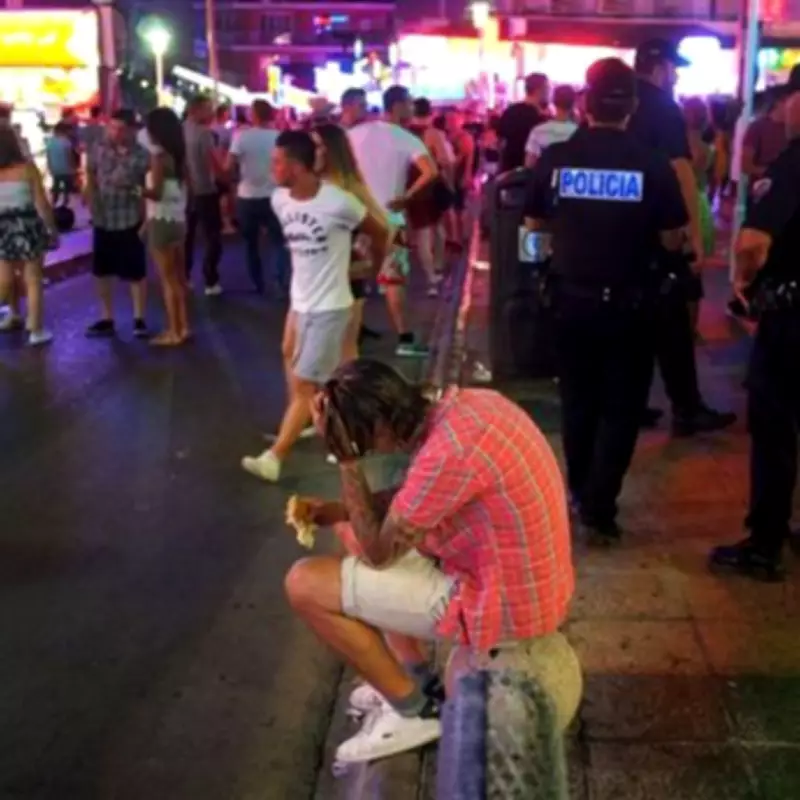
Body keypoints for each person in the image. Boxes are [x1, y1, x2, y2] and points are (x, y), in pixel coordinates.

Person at [283, 359, 580, 763]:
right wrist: (337, 511)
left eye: (363, 442)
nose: (369, 452)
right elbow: (414, 496)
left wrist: (347, 462)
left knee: (304, 583)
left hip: (499, 605)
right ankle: (414, 679)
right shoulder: (470, 408)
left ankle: (414, 712)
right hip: (518, 580)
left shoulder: (448, 453)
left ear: (381, 426)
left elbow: (379, 551)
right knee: (350, 529)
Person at [524, 57, 690, 544]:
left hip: (569, 301)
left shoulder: (556, 160)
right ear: (632, 107)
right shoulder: (652, 163)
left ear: (585, 105)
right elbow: (673, 237)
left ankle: (580, 491)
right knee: (622, 407)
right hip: (631, 306)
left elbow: (532, 225)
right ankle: (600, 504)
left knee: (578, 401)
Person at [241, 131, 389, 484]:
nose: (271, 168)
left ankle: (276, 456)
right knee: (298, 362)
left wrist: (371, 267)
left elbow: (380, 231)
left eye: (277, 162)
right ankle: (328, 426)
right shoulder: (279, 200)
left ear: (296, 166)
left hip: (330, 306)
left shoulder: (339, 202)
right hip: (300, 303)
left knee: (308, 382)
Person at [709, 92, 800, 583]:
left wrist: (744, 282)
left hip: (792, 320)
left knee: (773, 428)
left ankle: (765, 543)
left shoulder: (794, 162)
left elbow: (752, 241)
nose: (783, 111)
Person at [629, 38, 735, 436]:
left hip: (626, 229)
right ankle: (687, 408)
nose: (675, 76)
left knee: (636, 321)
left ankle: (631, 402)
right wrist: (694, 234)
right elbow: (682, 171)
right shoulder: (663, 107)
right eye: (674, 68)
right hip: (662, 227)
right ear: (659, 68)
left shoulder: (624, 102)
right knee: (674, 320)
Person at [344, 85, 438, 358]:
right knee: (394, 280)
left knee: (354, 278)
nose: (412, 108)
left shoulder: (351, 136)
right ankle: (405, 339)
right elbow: (430, 172)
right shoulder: (405, 138)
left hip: (357, 217)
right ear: (397, 106)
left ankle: (351, 338)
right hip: (391, 219)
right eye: (409, 103)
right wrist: (406, 197)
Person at [310, 123, 389, 363]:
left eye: (317, 146)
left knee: (343, 353)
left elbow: (382, 229)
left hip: (343, 278)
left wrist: (371, 265)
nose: (311, 152)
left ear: (332, 151)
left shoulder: (348, 188)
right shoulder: (314, 185)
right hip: (315, 280)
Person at [85, 109, 150, 339]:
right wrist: (90, 198)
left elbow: (148, 188)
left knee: (135, 272)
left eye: (121, 129)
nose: (115, 133)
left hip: (130, 217)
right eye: (112, 127)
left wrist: (145, 218)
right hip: (103, 216)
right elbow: (90, 173)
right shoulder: (99, 148)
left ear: (132, 130)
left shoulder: (142, 155)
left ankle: (139, 318)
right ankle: (107, 317)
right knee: (101, 270)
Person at [0, 126, 58, 346]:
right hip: (28, 227)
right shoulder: (28, 169)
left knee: (4, 278)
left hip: (2, 228)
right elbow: (42, 203)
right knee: (33, 279)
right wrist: (52, 229)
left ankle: (13, 314)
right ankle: (36, 329)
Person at [227, 99, 288, 296]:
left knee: (250, 243)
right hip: (274, 195)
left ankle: (257, 282)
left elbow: (229, 165)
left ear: (253, 115)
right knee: (278, 241)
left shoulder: (241, 137)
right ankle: (279, 280)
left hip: (247, 195)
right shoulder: (279, 137)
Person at [142, 107, 190, 346]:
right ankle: (184, 326)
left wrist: (136, 190)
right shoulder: (179, 156)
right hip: (178, 220)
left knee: (167, 280)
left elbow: (156, 193)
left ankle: (173, 330)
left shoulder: (158, 157)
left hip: (161, 221)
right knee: (178, 278)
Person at [184, 95, 225, 295]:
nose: (211, 113)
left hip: (186, 191)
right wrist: (224, 178)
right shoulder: (204, 133)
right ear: (196, 110)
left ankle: (184, 276)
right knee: (212, 236)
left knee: (187, 236)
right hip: (205, 190)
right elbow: (214, 163)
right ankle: (210, 280)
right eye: (208, 108)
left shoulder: (179, 131)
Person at [497, 72, 550, 172]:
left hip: (509, 172)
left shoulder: (510, 111)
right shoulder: (540, 119)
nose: (550, 93)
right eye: (548, 88)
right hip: (531, 174)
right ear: (539, 90)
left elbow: (500, 143)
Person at [525, 84, 578, 168]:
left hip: (545, 175)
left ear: (553, 101)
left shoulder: (538, 131)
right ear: (574, 103)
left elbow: (529, 164)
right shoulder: (579, 132)